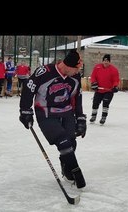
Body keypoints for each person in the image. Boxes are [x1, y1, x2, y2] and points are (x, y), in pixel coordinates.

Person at [19, 49, 87, 189]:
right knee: (63, 142)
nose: (77, 71)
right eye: (76, 68)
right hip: (45, 112)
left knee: (71, 143)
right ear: (68, 66)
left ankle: (66, 166)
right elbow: (28, 89)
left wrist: (80, 118)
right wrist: (25, 111)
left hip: (67, 112)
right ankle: (76, 172)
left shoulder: (75, 77)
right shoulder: (44, 72)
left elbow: (77, 98)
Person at [89, 54, 120, 125]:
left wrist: (115, 86)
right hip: (99, 90)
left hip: (109, 90)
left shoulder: (114, 70)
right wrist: (94, 83)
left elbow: (116, 80)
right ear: (102, 61)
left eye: (107, 61)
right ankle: (93, 116)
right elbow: (93, 76)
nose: (106, 62)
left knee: (105, 103)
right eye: (104, 60)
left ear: (109, 62)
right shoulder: (97, 67)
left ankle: (103, 117)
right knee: (95, 103)